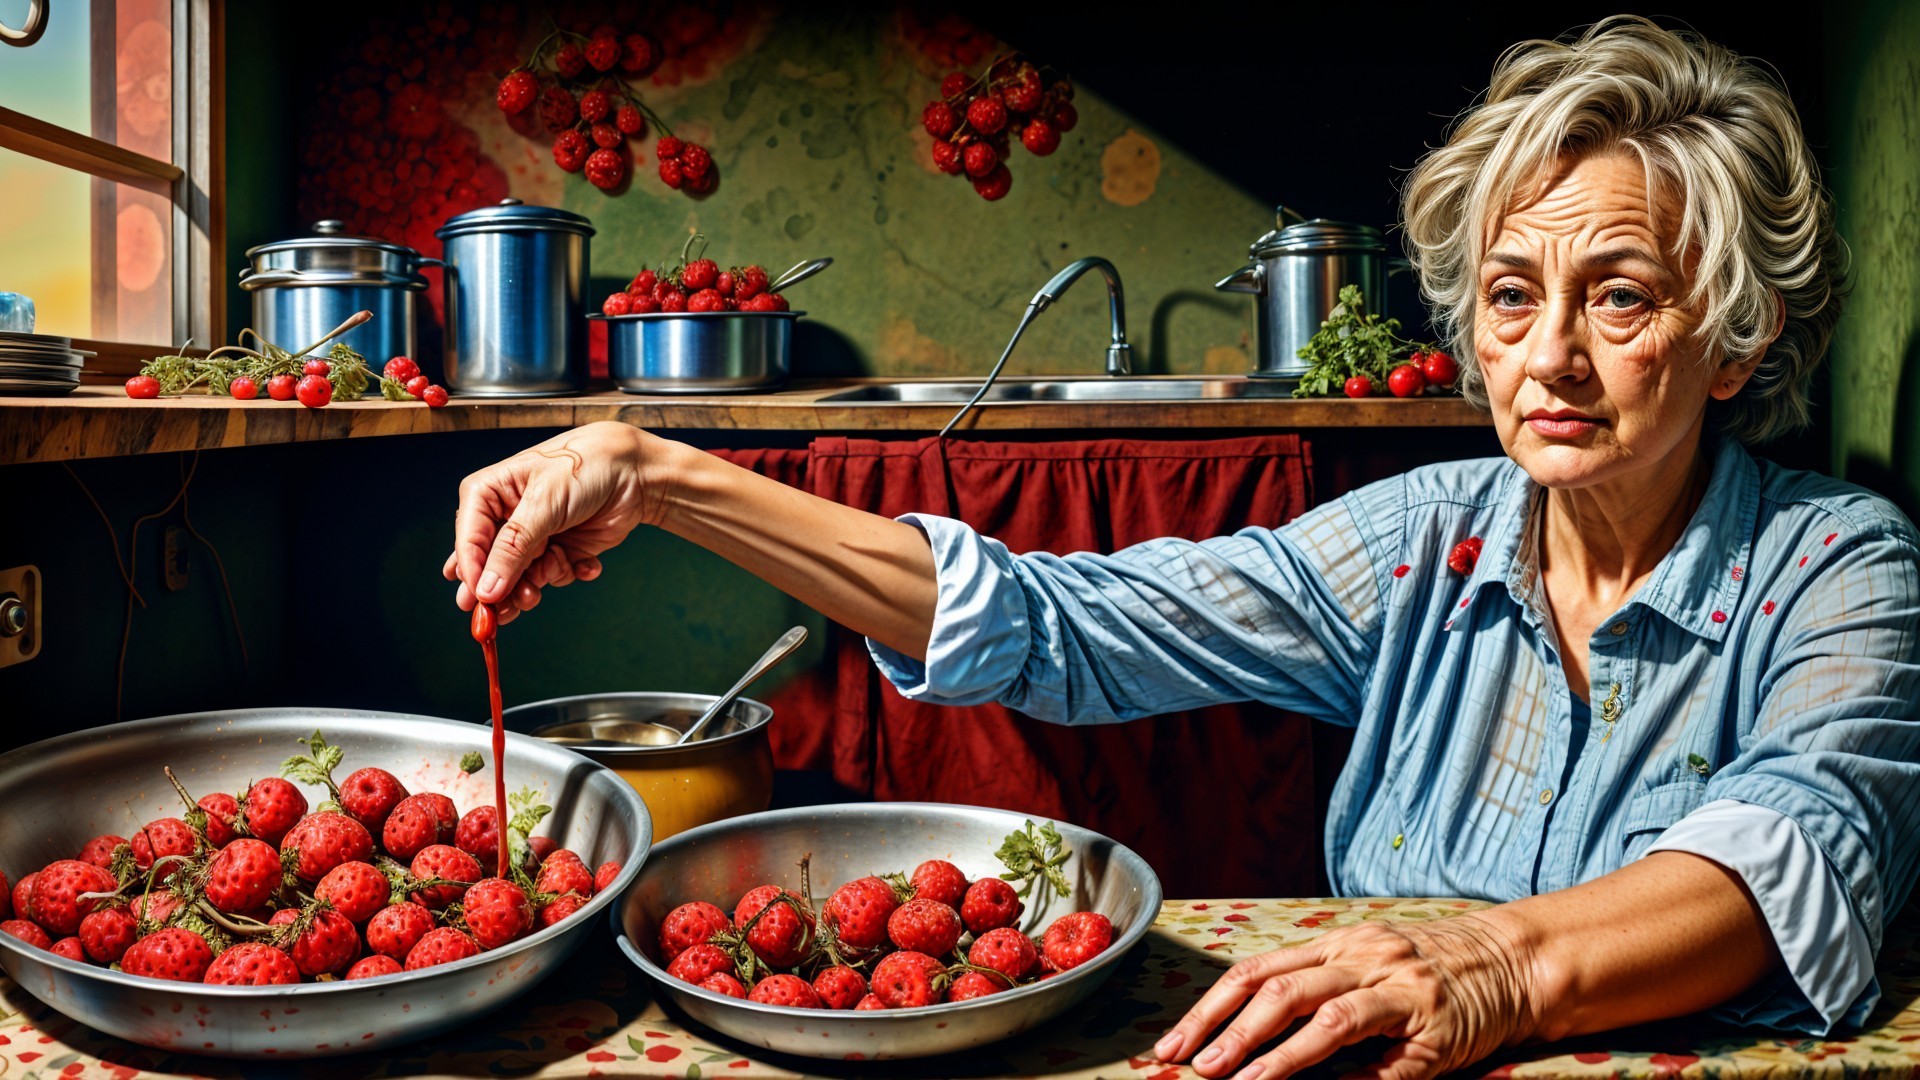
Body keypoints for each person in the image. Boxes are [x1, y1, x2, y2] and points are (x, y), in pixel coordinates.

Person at [445, 16, 1920, 1080]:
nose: (1548, 360)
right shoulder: (1432, 539)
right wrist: (665, 474)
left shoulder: (1838, 564)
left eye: (1617, 299)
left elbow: (1798, 847)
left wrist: (1500, 966)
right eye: (1513, 295)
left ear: (1734, 342)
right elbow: (1067, 624)